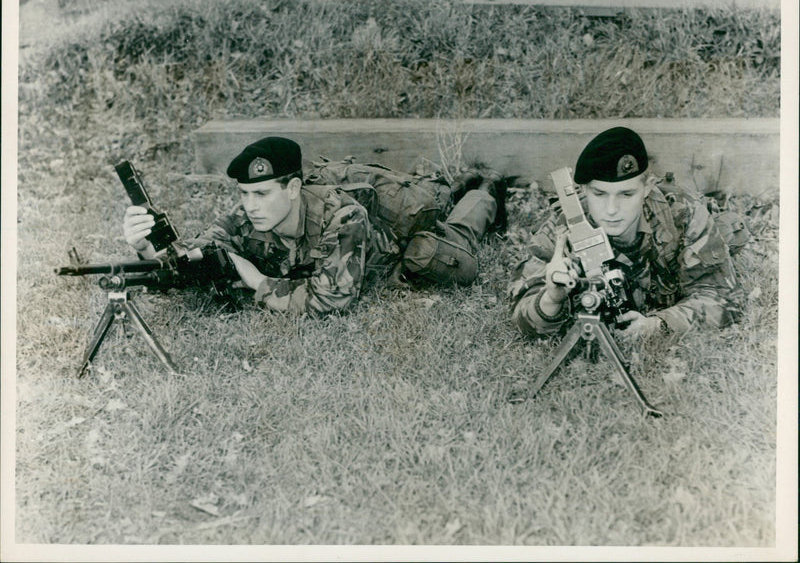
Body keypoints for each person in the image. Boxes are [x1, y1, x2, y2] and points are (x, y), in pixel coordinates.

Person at [124, 136, 503, 315]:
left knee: (453, 237)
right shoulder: (246, 217)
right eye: (244, 194)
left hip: (398, 236)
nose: (249, 206)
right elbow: (193, 259)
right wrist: (148, 249)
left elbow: (331, 300)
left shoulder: (343, 217)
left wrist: (255, 279)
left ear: (292, 188)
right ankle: (457, 185)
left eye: (261, 194)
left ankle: (486, 187)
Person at [508, 126, 743, 342]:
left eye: (626, 194)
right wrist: (552, 297)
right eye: (599, 194)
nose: (611, 210)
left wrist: (658, 325)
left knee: (729, 232)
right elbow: (522, 316)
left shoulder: (684, 215)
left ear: (648, 187)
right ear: (583, 191)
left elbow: (723, 298)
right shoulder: (565, 230)